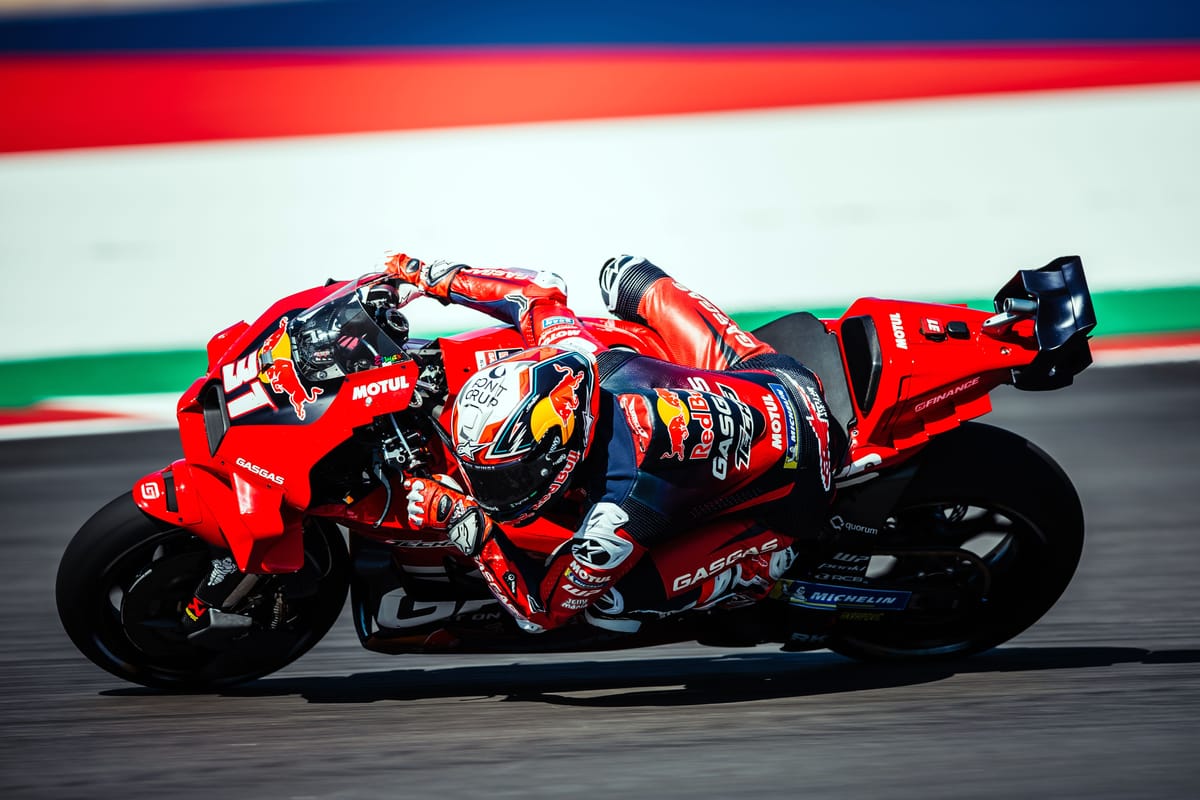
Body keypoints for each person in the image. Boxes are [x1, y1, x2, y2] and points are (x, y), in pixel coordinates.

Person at [393, 252, 839, 633]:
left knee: (613, 606)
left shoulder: (615, 517)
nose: (498, 488)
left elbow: (542, 614)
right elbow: (536, 292)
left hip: (798, 493)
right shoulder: (581, 360)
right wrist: (427, 275)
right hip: (778, 378)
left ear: (558, 455)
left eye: (511, 475)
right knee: (624, 273)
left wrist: (468, 526)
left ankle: (753, 574)